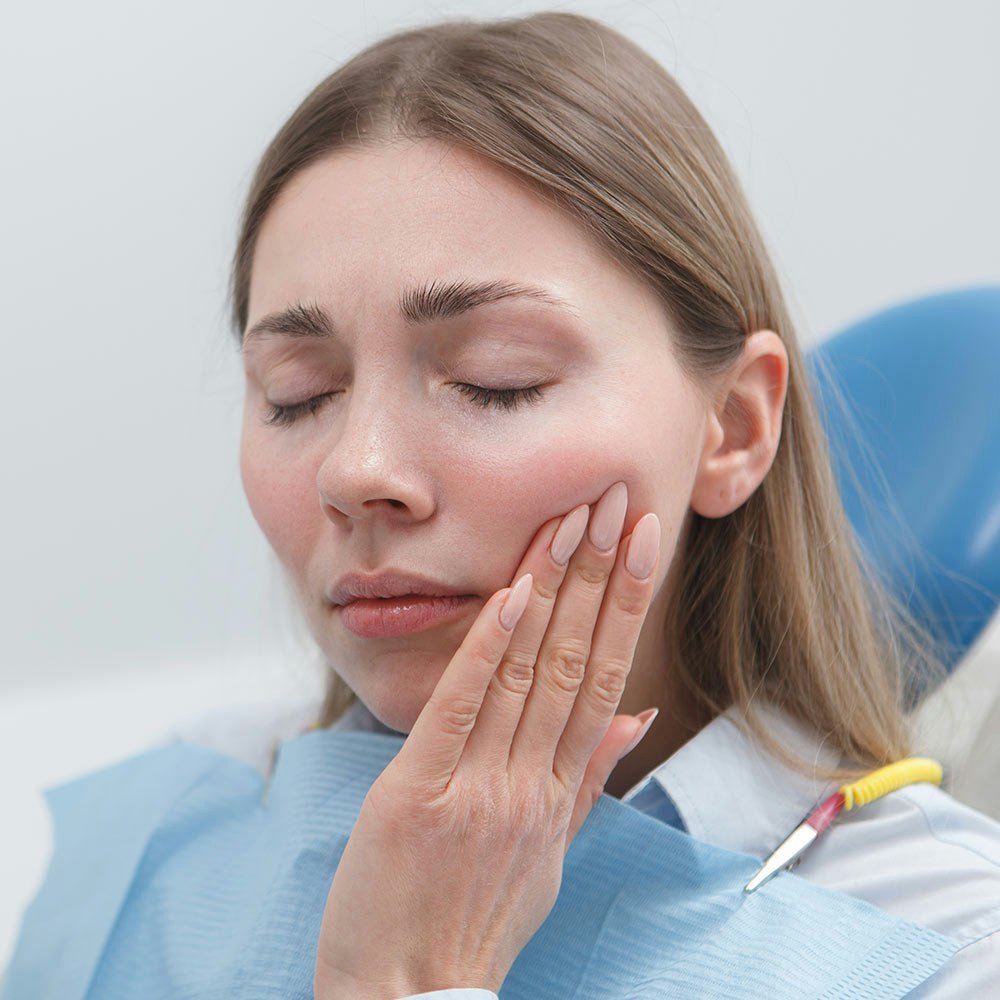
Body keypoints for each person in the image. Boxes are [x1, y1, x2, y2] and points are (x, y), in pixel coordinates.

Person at [6, 11, 1000, 999]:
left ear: (734, 427)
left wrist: (412, 979)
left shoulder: (941, 944)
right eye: (297, 393)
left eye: (496, 378)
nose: (356, 470)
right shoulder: (180, 809)